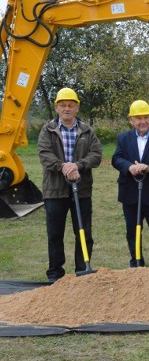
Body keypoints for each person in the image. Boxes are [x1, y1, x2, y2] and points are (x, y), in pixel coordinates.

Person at [37, 88, 103, 282]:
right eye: (63, 105)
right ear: (57, 107)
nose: (67, 108)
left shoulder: (87, 131)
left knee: (84, 232)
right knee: (55, 234)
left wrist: (78, 165)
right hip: (54, 190)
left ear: (77, 107)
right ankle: (55, 275)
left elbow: (96, 155)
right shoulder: (47, 130)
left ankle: (82, 271)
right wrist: (64, 167)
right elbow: (44, 154)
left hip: (81, 190)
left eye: (71, 105)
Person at [112, 100, 149, 268]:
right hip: (130, 193)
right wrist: (129, 167)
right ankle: (137, 264)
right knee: (133, 232)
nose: (143, 121)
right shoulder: (123, 138)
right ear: (131, 120)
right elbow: (116, 159)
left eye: (146, 117)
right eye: (138, 118)